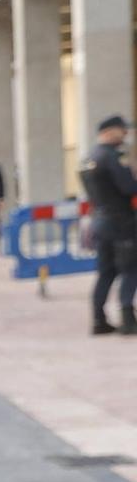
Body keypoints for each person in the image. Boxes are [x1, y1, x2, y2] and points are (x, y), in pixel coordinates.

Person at [83, 115, 137, 336]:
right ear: (109, 131)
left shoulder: (89, 157)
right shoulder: (114, 157)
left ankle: (98, 319)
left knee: (105, 272)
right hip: (122, 223)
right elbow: (128, 187)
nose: (125, 134)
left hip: (100, 222)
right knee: (130, 269)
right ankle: (127, 319)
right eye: (121, 130)